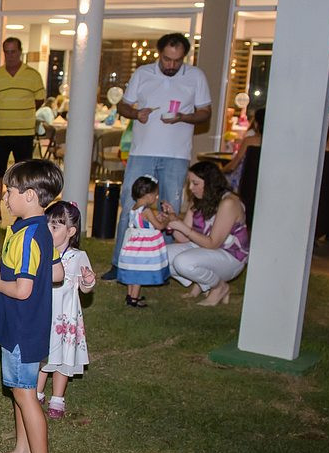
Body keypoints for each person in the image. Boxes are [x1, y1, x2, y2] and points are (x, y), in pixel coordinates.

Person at [0, 158, 64, 453]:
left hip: (22, 326)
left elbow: (22, 289)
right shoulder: (39, 229)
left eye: (10, 191)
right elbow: (57, 272)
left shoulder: (28, 236)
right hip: (26, 324)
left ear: (29, 196)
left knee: (25, 393)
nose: (5, 197)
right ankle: (23, 450)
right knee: (19, 390)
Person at [107, 33, 212, 280]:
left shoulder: (196, 76)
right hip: (141, 152)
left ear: (184, 57)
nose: (171, 65)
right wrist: (136, 114)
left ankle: (162, 264)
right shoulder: (143, 73)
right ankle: (120, 263)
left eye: (177, 61)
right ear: (159, 54)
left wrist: (183, 117)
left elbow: (205, 112)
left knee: (169, 208)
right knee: (130, 205)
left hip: (176, 155)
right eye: (166, 59)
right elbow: (123, 105)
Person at [37, 201, 95, 420]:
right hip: (45, 313)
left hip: (65, 318)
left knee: (63, 357)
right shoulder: (42, 252)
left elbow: (85, 288)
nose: (48, 231)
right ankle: (37, 392)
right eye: (47, 226)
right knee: (42, 356)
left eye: (54, 227)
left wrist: (87, 281)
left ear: (70, 232)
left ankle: (57, 398)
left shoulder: (78, 257)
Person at [166, 160, 251, 306]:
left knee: (183, 262)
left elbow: (213, 243)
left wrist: (184, 228)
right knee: (161, 256)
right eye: (189, 183)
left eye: (195, 183)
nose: (190, 188)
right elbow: (182, 239)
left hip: (231, 256)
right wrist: (172, 220)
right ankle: (202, 283)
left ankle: (219, 287)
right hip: (205, 249)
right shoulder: (199, 199)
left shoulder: (229, 203)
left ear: (210, 183)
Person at [0, 37, 46, 223]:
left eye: (13, 51)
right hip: (0, 132)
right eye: (7, 52)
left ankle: (22, 215)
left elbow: (39, 99)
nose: (10, 55)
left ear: (20, 52)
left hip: (24, 133)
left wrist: (22, 111)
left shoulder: (33, 75)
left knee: (24, 176)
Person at [116, 176, 172, 308]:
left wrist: (156, 217)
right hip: (143, 247)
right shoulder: (146, 210)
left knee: (132, 270)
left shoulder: (134, 208)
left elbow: (143, 223)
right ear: (148, 195)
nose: (156, 198)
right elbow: (159, 226)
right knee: (138, 274)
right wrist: (167, 220)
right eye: (155, 195)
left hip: (133, 245)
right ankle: (134, 299)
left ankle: (130, 295)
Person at [223, 106, 263, 190]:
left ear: (256, 124)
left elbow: (233, 165)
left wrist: (220, 171)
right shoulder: (274, 143)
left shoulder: (249, 141)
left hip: (245, 181)